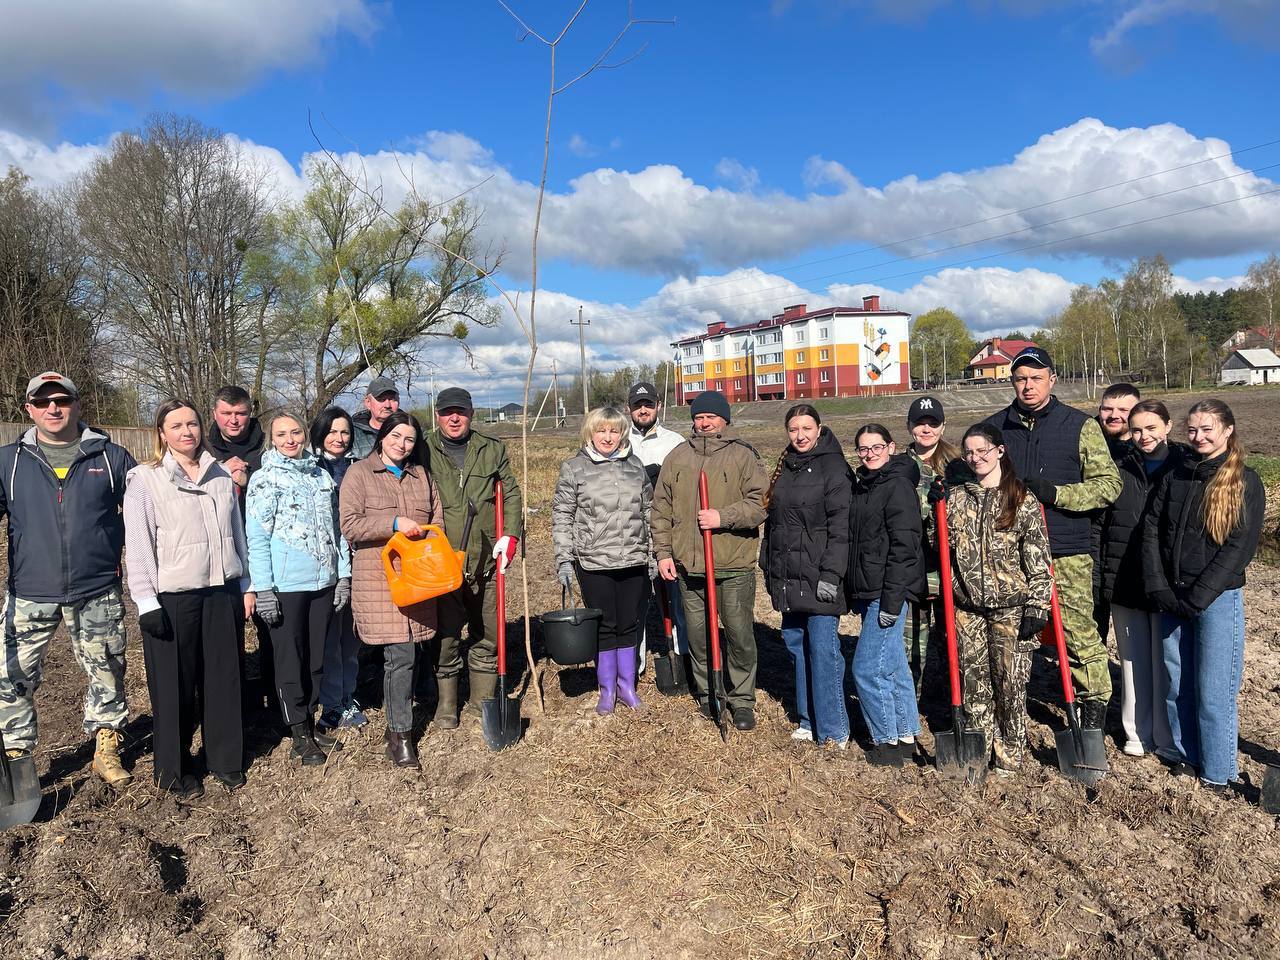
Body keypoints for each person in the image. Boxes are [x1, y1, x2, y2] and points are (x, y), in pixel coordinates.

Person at [0, 371, 135, 787]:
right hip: (30, 590)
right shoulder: (8, 461)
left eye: (61, 400)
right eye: (42, 403)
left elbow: (149, 514)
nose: (52, 409)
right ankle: (17, 754)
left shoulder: (111, 458)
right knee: (10, 676)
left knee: (107, 669)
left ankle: (106, 744)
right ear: (29, 410)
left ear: (78, 405)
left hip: (96, 589)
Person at [983, 347, 1121, 732]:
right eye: (1021, 379)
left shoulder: (1079, 425)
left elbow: (1109, 486)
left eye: (1036, 378)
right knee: (1014, 632)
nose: (1028, 386)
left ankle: (1092, 712)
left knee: (1079, 635)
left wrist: (1058, 494)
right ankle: (1009, 710)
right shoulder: (996, 428)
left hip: (1066, 550)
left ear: (1052, 380)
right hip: (1011, 553)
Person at [123, 400, 250, 798]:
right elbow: (139, 543)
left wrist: (245, 583)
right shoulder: (146, 479)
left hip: (220, 592)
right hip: (174, 599)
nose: (186, 432)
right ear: (162, 433)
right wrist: (145, 601)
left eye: (192, 423)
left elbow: (237, 532)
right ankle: (173, 771)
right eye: (176, 425)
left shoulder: (218, 474)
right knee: (174, 687)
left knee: (223, 680)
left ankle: (225, 760)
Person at [1143, 399, 1263, 793]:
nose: (1199, 437)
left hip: (1216, 601)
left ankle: (1217, 772)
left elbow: (1238, 550)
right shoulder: (1175, 475)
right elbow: (1151, 532)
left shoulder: (1245, 481)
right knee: (1178, 684)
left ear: (1228, 430)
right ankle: (1185, 756)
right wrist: (1159, 586)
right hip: (1171, 598)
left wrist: (1198, 597)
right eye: (1192, 430)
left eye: (1208, 429)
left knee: (1214, 692)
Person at [938, 424, 1053, 775]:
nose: (976, 458)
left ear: (1000, 451)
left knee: (1010, 685)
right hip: (967, 608)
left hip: (1012, 609)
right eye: (969, 453)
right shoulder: (956, 500)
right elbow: (939, 545)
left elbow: (1038, 557)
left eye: (983, 450)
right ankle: (978, 751)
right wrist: (935, 509)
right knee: (973, 684)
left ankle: (1008, 757)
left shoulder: (1021, 499)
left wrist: (1038, 605)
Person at [652, 390, 767, 731]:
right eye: (699, 417)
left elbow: (760, 503)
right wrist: (663, 553)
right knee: (700, 637)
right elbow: (661, 510)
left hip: (732, 564)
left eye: (711, 417)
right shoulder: (678, 457)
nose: (704, 423)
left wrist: (723, 516)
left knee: (738, 634)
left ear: (724, 420)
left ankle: (742, 700)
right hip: (690, 566)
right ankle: (708, 694)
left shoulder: (743, 456)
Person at [246, 412, 351, 766]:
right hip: (286, 586)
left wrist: (343, 575)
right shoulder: (264, 480)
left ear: (305, 434)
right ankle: (298, 732)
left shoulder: (321, 476)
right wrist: (264, 589)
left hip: (323, 582)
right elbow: (257, 539)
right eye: (281, 434)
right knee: (290, 660)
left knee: (316, 659)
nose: (290, 440)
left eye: (295, 432)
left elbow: (337, 530)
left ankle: (309, 717)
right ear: (272, 439)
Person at [340, 411, 443, 769]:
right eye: (396, 436)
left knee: (411, 652)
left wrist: (431, 552)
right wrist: (394, 523)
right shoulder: (359, 474)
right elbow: (350, 526)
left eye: (410, 439)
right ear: (382, 436)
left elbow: (436, 518)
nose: (403, 444)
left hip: (417, 577)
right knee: (401, 657)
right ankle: (400, 735)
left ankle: (397, 726)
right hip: (381, 581)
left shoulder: (421, 476)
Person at [424, 387, 522, 727]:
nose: (454, 418)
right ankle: (447, 704)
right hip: (441, 561)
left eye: (461, 412)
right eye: (448, 411)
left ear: (471, 414)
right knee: (446, 634)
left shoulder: (491, 449)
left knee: (487, 633)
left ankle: (483, 699)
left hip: (485, 559)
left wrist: (510, 535)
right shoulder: (424, 449)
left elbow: (509, 492)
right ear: (437, 415)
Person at [1097, 399, 1188, 757]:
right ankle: (1136, 733)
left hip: (1167, 582)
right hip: (1126, 578)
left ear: (1167, 426)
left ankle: (1168, 739)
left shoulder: (1184, 466)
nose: (1144, 435)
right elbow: (1102, 528)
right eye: (1136, 429)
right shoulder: (1119, 468)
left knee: (1167, 664)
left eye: (1151, 428)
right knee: (1133, 662)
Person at [760, 404, 852, 747]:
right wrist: (769, 566)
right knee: (797, 645)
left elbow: (840, 528)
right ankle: (808, 719)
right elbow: (775, 524)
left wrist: (831, 574)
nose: (800, 435)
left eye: (807, 428)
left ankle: (834, 727)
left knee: (823, 649)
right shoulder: (786, 466)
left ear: (819, 429)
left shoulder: (834, 467)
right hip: (789, 574)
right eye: (794, 429)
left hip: (819, 575)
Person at [552, 407, 652, 714]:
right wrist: (564, 558)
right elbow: (562, 515)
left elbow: (649, 512)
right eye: (601, 431)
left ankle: (627, 686)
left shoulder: (635, 466)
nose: (608, 437)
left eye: (614, 431)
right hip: (594, 561)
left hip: (633, 559)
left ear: (622, 434)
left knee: (630, 623)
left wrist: (654, 554)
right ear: (590, 433)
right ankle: (607, 689)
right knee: (606, 626)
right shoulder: (574, 468)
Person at [846, 424, 926, 766]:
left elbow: (905, 549)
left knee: (866, 668)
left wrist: (893, 602)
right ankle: (906, 735)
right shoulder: (864, 486)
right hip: (869, 588)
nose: (870, 455)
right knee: (892, 665)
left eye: (876, 448)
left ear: (891, 448)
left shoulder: (897, 487)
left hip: (888, 591)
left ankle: (886, 742)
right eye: (863, 450)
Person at [206, 384, 274, 711]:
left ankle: (278, 700)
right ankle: (237, 705)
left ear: (250, 414)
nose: (234, 420)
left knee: (271, 627)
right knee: (227, 635)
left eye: (241, 413)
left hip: (265, 552)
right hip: (220, 555)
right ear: (215, 414)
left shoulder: (267, 448)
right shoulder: (203, 451)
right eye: (227, 413)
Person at [310, 407, 367, 730]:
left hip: (359, 563)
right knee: (329, 638)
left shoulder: (359, 469)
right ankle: (331, 702)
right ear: (320, 434)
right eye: (332, 432)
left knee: (351, 637)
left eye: (344, 432)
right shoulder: (311, 469)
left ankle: (348, 696)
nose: (339, 438)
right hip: (324, 566)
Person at [626, 380, 686, 679]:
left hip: (668, 529)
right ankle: (635, 664)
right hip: (630, 531)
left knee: (677, 595)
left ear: (658, 406)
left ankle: (681, 654)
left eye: (648, 404)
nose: (643, 410)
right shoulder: (618, 440)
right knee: (636, 601)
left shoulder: (674, 441)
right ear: (629, 409)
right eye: (637, 405)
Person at [903, 395, 959, 706]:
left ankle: (957, 697)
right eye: (920, 423)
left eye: (932, 423)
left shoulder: (959, 464)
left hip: (951, 567)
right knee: (914, 639)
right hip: (916, 566)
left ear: (942, 426)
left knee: (953, 635)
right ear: (909, 426)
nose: (926, 429)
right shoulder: (900, 465)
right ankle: (913, 698)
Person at [1092, 382, 1141, 641]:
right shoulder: (1086, 445)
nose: (1114, 415)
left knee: (1133, 639)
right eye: (1107, 408)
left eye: (1124, 409)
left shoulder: (1149, 453)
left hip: (1129, 557)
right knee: (1091, 631)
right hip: (1091, 552)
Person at [351, 376, 401, 460]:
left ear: (399, 401)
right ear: (368, 402)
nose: (387, 405)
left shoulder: (413, 433)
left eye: (392, 399)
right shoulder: (352, 434)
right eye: (381, 399)